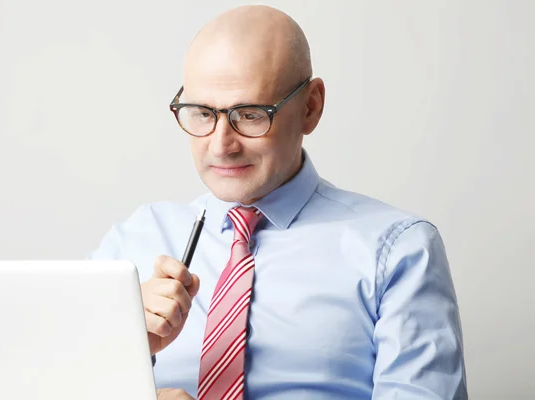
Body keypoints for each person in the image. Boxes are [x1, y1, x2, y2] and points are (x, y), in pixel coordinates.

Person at [89, 5, 467, 400]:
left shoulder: (398, 252)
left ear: (310, 107)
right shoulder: (131, 245)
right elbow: (42, 379)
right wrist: (124, 351)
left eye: (250, 115)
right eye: (202, 113)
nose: (221, 145)